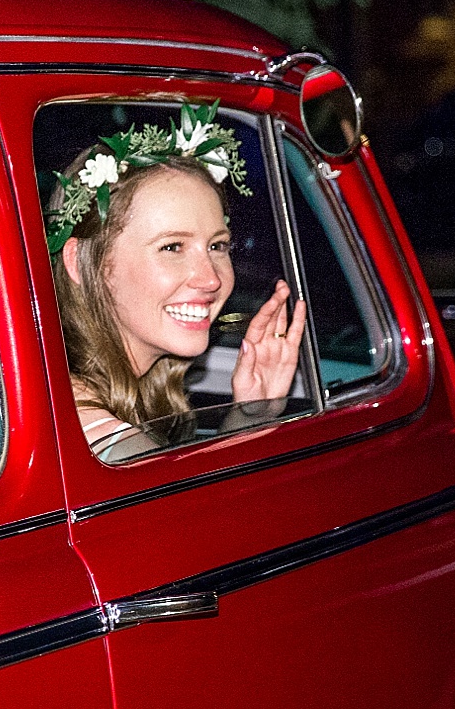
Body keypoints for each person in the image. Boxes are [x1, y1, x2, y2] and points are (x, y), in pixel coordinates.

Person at [47, 102, 304, 460]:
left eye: (217, 245)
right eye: (172, 247)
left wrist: (251, 413)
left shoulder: (63, 391)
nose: (211, 278)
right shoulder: (113, 447)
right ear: (80, 261)